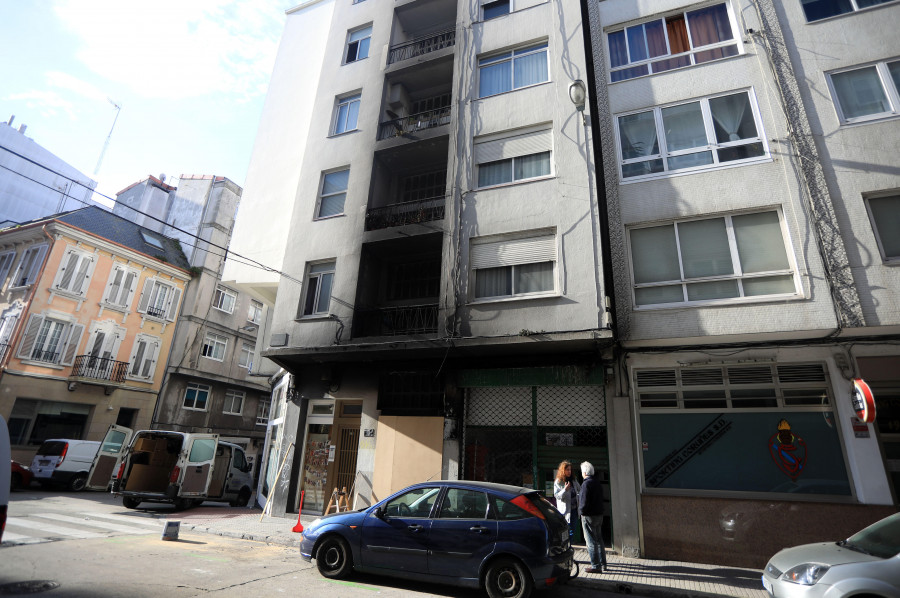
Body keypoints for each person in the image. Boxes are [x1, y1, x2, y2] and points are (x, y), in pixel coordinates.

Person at [578, 461, 607, 574]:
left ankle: (595, 566)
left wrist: (581, 512)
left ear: (584, 472)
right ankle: (603, 564)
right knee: (599, 540)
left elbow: (584, 502)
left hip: (589, 515)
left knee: (590, 541)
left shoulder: (586, 484)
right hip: (599, 514)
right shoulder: (597, 482)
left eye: (582, 472)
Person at [553, 460, 581, 539]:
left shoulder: (574, 480)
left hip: (574, 510)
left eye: (570, 470)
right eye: (567, 470)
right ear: (563, 470)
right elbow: (557, 496)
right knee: (565, 531)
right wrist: (565, 489)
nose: (569, 471)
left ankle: (569, 547)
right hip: (565, 511)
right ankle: (565, 548)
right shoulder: (558, 482)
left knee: (572, 531)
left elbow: (580, 489)